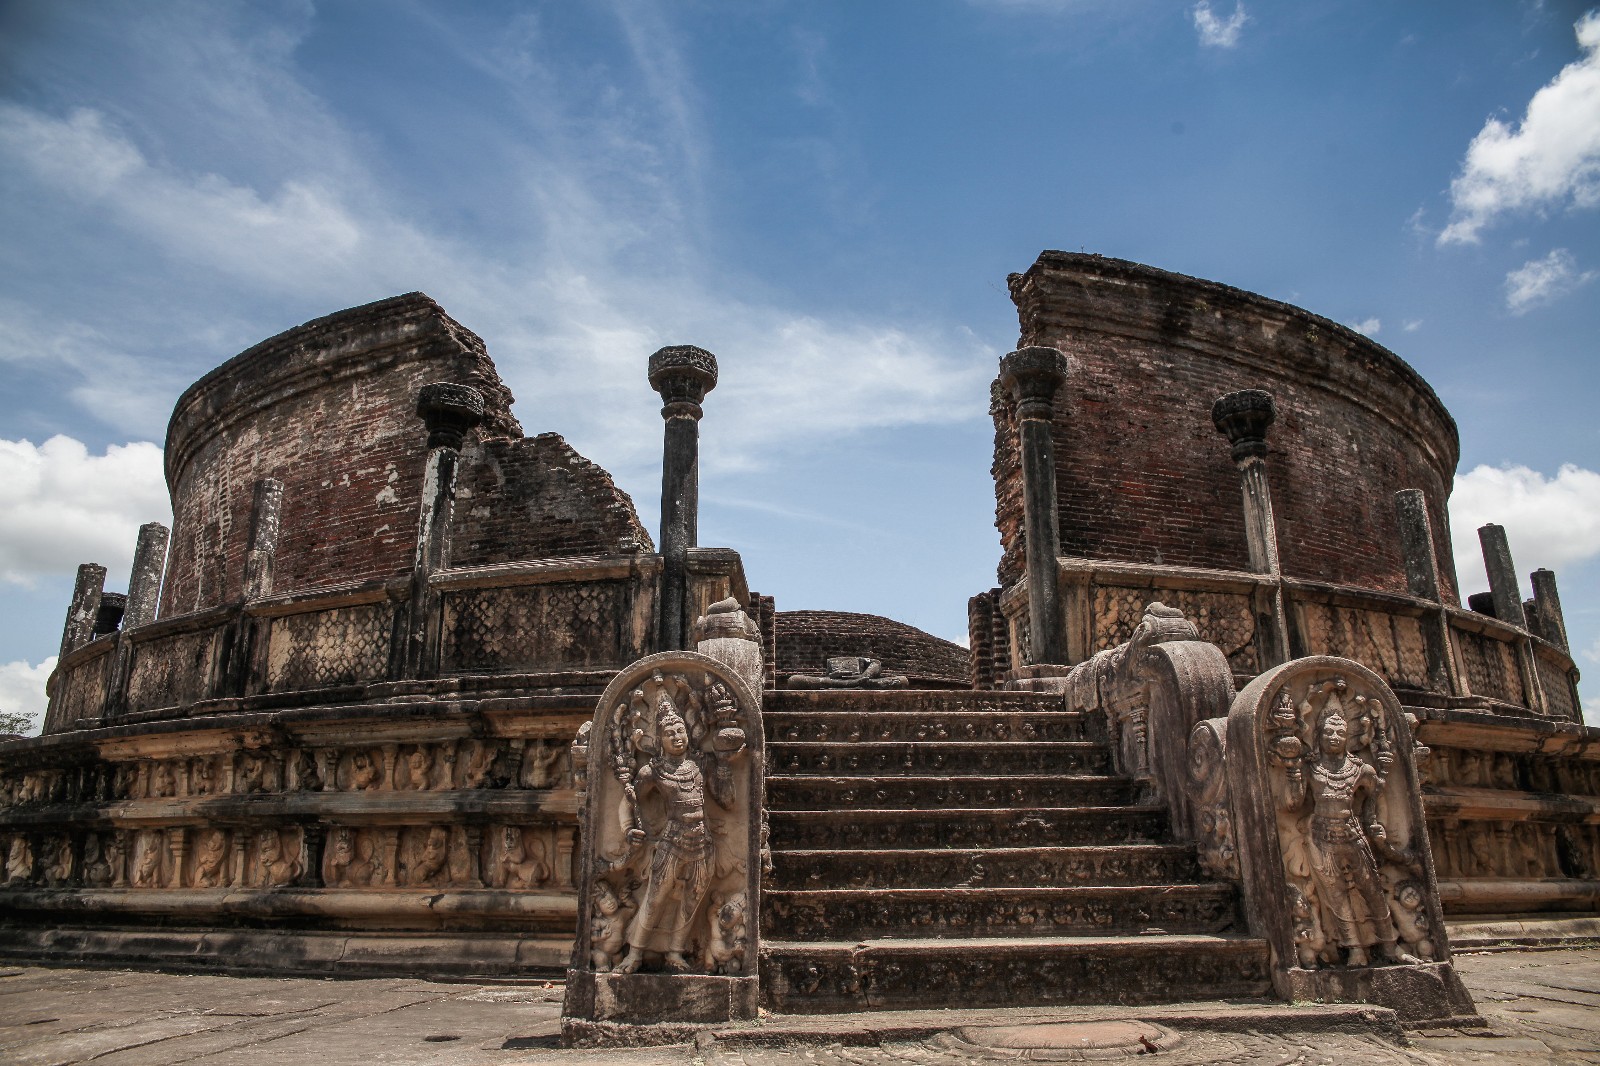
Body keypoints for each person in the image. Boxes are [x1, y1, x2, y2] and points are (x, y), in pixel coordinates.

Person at [615, 697, 739, 974]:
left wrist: (723, 765)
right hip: (672, 841)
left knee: (692, 900)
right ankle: (634, 954)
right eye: (669, 733)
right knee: (655, 898)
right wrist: (628, 829)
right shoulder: (654, 771)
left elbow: (727, 801)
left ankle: (675, 953)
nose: (677, 737)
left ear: (687, 732)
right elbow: (629, 801)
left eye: (680, 730)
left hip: (702, 842)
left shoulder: (700, 764)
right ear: (659, 739)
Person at [1284, 712, 1411, 967]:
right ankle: (1354, 949)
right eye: (1329, 732)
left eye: (1340, 733)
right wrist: (1293, 776)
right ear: (1318, 736)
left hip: (1353, 833)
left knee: (1372, 890)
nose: (1334, 737)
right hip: (1322, 836)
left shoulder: (1360, 769)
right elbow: (1293, 803)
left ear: (1347, 738)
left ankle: (1389, 945)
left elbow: (1374, 796)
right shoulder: (1311, 768)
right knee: (1336, 895)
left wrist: (1374, 822)